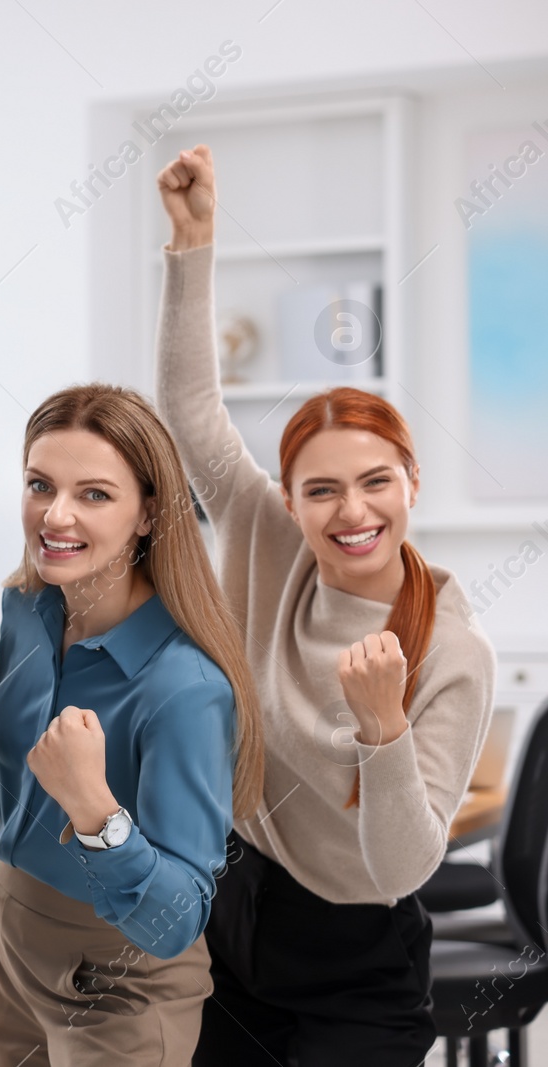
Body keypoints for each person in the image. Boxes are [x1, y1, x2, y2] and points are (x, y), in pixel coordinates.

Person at [155, 145, 496, 1065]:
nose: (353, 512)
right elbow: (191, 414)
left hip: (357, 956)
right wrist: (192, 247)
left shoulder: (451, 652)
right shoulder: (270, 544)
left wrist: (381, 729)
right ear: (290, 498)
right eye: (322, 491)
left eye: (376, 481)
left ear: (411, 483)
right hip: (233, 917)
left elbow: (402, 868)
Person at [0, 383, 264, 1066]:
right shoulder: (28, 610)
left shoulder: (183, 688)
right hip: (7, 934)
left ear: (148, 514)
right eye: (39, 484)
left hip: (118, 977)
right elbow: (11, 792)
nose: (56, 515)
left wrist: (93, 808)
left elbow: (174, 919)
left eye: (95, 494)